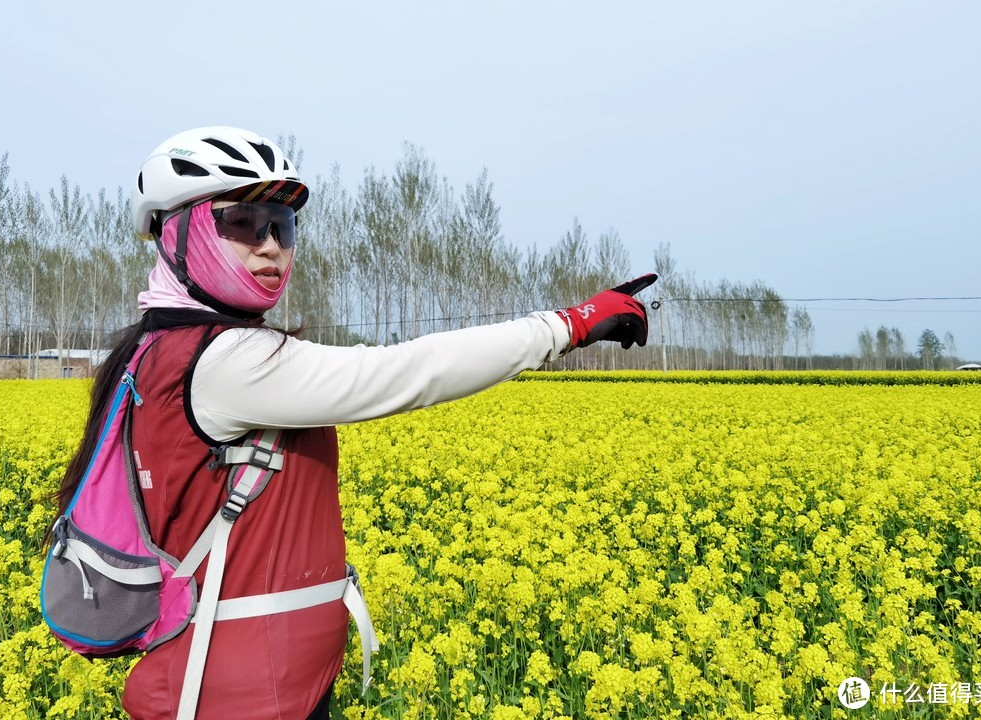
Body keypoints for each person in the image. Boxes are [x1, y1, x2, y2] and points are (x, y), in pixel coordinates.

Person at [50, 126, 652, 720]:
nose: (270, 247)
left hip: (258, 687)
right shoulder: (220, 361)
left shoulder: (162, 348)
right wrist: (568, 325)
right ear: (179, 233)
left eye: (281, 228)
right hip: (238, 698)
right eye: (241, 223)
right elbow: (406, 372)